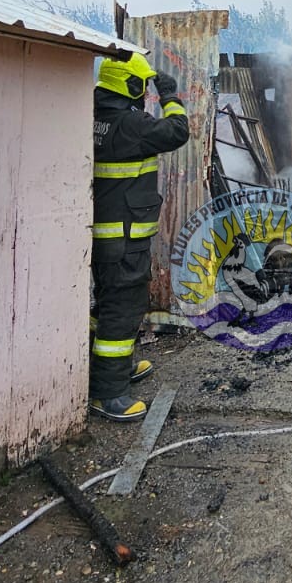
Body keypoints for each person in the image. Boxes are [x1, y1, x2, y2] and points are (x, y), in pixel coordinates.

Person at [90, 52, 190, 420]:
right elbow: (178, 131)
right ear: (129, 84)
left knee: (108, 304)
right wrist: (171, 97)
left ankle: (112, 368)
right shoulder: (131, 124)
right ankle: (108, 393)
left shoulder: (95, 115)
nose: (145, 90)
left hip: (106, 233)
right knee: (123, 309)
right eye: (143, 83)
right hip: (125, 236)